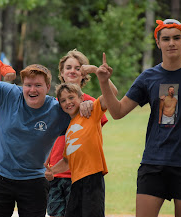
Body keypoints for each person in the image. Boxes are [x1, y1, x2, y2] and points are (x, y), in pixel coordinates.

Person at [97, 19, 181, 217]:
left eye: (176, 38)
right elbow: (118, 111)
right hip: (153, 162)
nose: (171, 43)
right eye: (165, 39)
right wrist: (104, 83)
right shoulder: (149, 77)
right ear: (158, 43)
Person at [0, 61, 91, 217]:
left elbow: (84, 118)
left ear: (48, 87)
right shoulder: (9, 94)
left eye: (38, 85)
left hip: (34, 180)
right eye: (28, 85)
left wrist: (86, 104)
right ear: (22, 86)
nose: (32, 89)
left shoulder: (57, 110)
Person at [45, 49, 117, 217]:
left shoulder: (91, 105)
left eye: (78, 68)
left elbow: (88, 138)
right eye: (68, 67)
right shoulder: (53, 105)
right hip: (56, 172)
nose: (72, 71)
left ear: (84, 73)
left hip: (82, 175)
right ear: (61, 73)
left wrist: (95, 70)